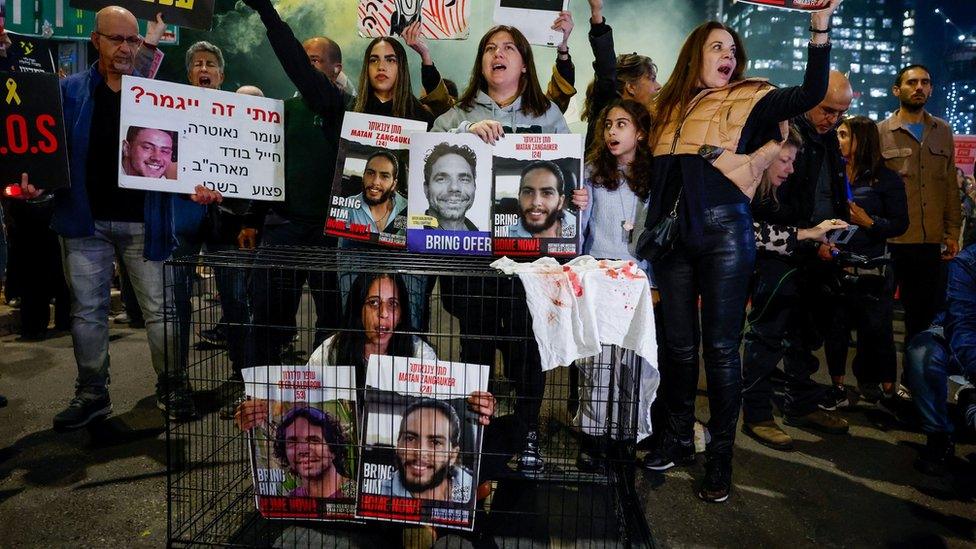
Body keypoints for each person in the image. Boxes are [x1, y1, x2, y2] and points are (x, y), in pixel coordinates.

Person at [638, 0, 840, 503]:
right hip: (673, 245)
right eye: (717, 47)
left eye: (734, 49)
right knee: (678, 350)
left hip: (727, 239)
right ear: (695, 55)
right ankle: (680, 438)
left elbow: (812, 92)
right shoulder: (666, 109)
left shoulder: (753, 98)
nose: (729, 55)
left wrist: (819, 25)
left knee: (722, 351)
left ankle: (721, 458)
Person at [16, 7, 220, 430]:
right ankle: (91, 392)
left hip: (146, 224)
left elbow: (180, 158)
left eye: (133, 40)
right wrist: (38, 182)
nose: (126, 47)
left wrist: (197, 186)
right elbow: (50, 154)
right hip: (83, 222)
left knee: (162, 312)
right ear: (96, 41)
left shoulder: (157, 94)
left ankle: (173, 385)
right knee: (87, 313)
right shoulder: (69, 91)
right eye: (117, 39)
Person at [431, 24, 573, 472]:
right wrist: (467, 134)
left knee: (527, 353)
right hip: (475, 265)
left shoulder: (548, 114)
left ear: (524, 62)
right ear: (481, 63)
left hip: (531, 267)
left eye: (509, 48)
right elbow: (432, 148)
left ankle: (527, 432)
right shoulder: (457, 113)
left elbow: (567, 168)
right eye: (490, 48)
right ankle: (476, 438)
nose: (499, 54)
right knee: (476, 350)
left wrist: (577, 194)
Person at [739, 72, 854, 453]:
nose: (833, 119)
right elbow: (768, 197)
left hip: (817, 247)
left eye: (841, 113)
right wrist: (805, 236)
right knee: (768, 331)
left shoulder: (824, 140)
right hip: (781, 249)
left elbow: (831, 190)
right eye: (828, 110)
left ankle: (799, 403)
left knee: (805, 333)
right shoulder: (782, 131)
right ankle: (757, 414)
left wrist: (832, 234)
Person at [242, 0, 350, 366]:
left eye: (314, 61)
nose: (304, 66)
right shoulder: (282, 111)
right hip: (283, 227)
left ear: (336, 69)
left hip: (329, 233)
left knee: (333, 320)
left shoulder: (344, 109)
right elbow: (263, 168)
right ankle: (260, 393)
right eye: (302, 59)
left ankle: (324, 393)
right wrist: (251, 220)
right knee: (268, 315)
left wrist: (268, 14)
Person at [575, 98, 653, 469]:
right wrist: (578, 206)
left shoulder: (653, 178)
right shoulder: (591, 173)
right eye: (607, 125)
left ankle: (624, 438)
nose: (611, 132)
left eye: (621, 125)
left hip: (636, 286)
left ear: (640, 132)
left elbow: (656, 237)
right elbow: (580, 232)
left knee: (633, 365)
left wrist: (654, 283)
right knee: (598, 363)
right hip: (599, 281)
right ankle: (593, 438)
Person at [820, 116, 909, 412]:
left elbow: (900, 224)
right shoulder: (831, 173)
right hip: (835, 267)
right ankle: (838, 389)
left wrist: (868, 222)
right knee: (835, 331)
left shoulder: (887, 179)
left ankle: (888, 392)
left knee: (879, 333)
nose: (838, 139)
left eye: (844, 134)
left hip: (873, 270)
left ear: (862, 140)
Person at [878, 64, 962, 351]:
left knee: (922, 319)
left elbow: (950, 186)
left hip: (929, 242)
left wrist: (952, 232)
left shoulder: (943, 131)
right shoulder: (881, 133)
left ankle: (914, 382)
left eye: (925, 82)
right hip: (892, 240)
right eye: (912, 82)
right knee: (880, 316)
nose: (919, 88)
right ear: (896, 89)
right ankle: (883, 381)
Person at [904, 244, 976, 476]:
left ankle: (970, 404)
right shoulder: (967, 262)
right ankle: (939, 434)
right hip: (960, 335)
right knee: (922, 352)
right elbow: (962, 324)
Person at [385, 399, 474, 503]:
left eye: (435, 442)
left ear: (453, 455)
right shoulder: (377, 491)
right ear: (398, 445)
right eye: (410, 439)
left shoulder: (474, 489)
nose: (420, 453)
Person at [273, 406, 353, 498]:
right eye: (293, 442)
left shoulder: (357, 497)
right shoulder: (289, 501)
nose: (303, 450)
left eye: (313, 440)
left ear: (333, 449)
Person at [505, 160, 577, 238]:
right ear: (519, 197)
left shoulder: (579, 226)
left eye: (547, 193)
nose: (536, 202)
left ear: (560, 201)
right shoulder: (506, 235)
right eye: (528, 192)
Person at [421, 142, 480, 231]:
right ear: (426, 189)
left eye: (464, 179)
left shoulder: (480, 236)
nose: (454, 187)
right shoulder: (406, 233)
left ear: (474, 187)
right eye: (441, 179)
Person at [346, 151, 406, 235]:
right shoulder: (349, 206)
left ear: (393, 184)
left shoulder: (405, 209)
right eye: (370, 173)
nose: (375, 182)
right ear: (363, 177)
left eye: (384, 176)